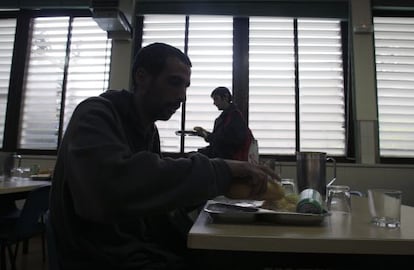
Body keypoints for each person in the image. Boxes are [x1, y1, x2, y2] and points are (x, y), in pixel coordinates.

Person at [49, 42, 281, 270]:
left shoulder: (149, 131)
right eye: (174, 82)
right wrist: (221, 170)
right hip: (100, 258)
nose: (182, 96)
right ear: (142, 77)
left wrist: (220, 184)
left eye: (186, 87)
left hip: (139, 249)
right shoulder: (95, 113)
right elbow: (111, 190)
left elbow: (151, 197)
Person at [194, 86, 253, 161]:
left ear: (225, 97)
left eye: (216, 99)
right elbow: (219, 138)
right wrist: (205, 134)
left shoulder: (234, 117)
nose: (214, 103)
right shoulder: (225, 117)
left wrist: (208, 136)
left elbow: (232, 142)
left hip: (228, 159)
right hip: (221, 156)